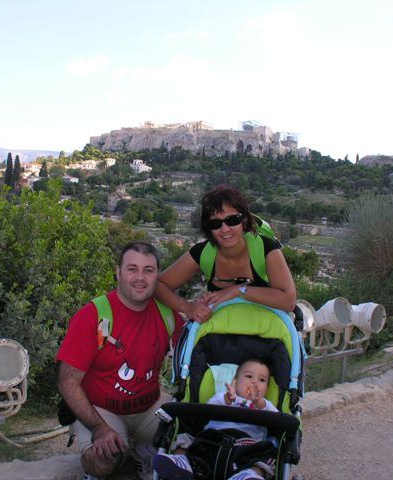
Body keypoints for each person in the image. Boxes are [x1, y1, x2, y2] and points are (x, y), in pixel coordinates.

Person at [56, 241, 184, 479]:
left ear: (157, 276)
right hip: (102, 411)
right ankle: (115, 452)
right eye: (132, 269)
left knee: (192, 435)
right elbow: (67, 381)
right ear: (118, 272)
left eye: (148, 270)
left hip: (149, 408)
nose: (140, 278)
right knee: (104, 461)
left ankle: (145, 450)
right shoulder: (94, 315)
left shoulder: (167, 314)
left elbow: (190, 360)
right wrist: (99, 428)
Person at [156, 184, 296, 323]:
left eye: (232, 220)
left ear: (244, 221)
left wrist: (237, 291)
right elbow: (159, 285)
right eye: (215, 224)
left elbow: (289, 301)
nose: (225, 229)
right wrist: (188, 308)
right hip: (221, 331)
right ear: (208, 229)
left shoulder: (265, 249)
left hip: (264, 330)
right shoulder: (204, 253)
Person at [152, 359, 278, 480]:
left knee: (267, 454)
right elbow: (207, 410)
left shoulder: (265, 406)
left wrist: (260, 403)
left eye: (262, 380)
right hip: (213, 440)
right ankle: (182, 462)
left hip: (247, 448)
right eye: (249, 376)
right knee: (188, 436)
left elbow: (277, 421)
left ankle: (250, 475)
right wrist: (227, 399)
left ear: (266, 389)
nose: (254, 382)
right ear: (235, 382)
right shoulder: (223, 397)